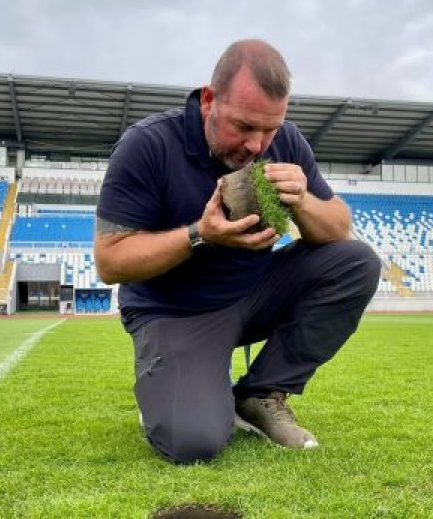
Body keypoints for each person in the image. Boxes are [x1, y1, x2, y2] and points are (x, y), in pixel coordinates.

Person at [94, 39, 381, 464]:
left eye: (270, 129)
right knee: (192, 443)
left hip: (255, 293)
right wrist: (199, 235)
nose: (258, 145)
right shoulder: (149, 145)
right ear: (209, 100)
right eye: (244, 127)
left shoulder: (286, 141)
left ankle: (260, 393)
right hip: (176, 310)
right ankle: (172, 388)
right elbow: (110, 261)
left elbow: (338, 227)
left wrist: (303, 200)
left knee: (357, 262)